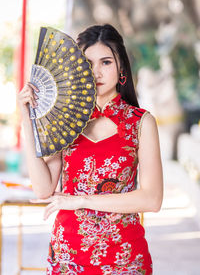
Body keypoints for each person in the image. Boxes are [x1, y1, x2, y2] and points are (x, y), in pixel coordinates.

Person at [18, 24, 163, 275]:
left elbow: (152, 199)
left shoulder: (141, 123)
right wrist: (26, 118)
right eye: (87, 63)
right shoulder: (66, 119)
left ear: (122, 68)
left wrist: (81, 200)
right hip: (67, 257)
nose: (96, 72)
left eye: (105, 62)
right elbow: (43, 189)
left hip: (124, 257)